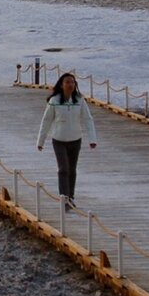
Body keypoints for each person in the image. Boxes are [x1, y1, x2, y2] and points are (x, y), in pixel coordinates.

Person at [36, 73, 98, 210]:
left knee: (72, 169)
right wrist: (40, 141)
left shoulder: (80, 100)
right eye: (67, 82)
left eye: (72, 82)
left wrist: (92, 139)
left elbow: (88, 119)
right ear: (61, 85)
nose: (70, 85)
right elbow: (46, 121)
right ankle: (64, 199)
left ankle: (71, 197)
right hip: (59, 139)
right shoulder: (54, 101)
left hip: (76, 139)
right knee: (63, 169)